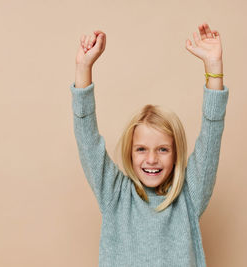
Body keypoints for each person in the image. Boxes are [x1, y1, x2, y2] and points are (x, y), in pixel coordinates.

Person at [69, 22, 229, 267]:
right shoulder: (114, 195)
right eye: (141, 149)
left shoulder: (189, 196)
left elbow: (211, 133)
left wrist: (214, 67)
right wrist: (83, 68)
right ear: (130, 153)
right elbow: (87, 139)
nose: (151, 159)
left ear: (176, 155)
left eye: (163, 149)